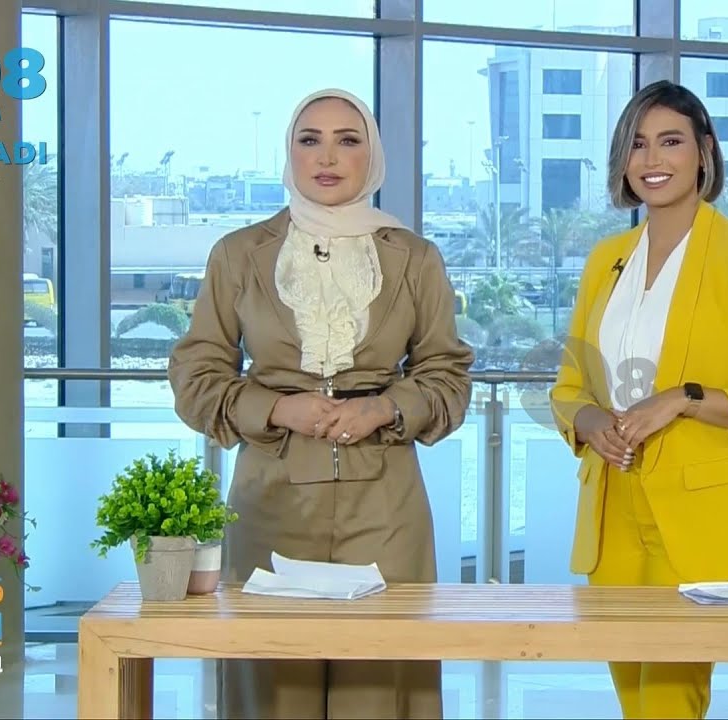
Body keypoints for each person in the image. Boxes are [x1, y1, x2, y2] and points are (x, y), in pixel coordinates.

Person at [167, 87, 473, 720]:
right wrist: (277, 410)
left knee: (382, 688)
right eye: (310, 140)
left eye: (347, 140)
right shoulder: (238, 254)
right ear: (290, 153)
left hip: (386, 505)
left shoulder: (415, 257)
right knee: (272, 690)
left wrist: (382, 409)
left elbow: (447, 376)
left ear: (372, 157)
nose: (327, 157)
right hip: (270, 499)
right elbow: (196, 376)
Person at [548, 80, 728, 719]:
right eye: (637, 144)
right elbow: (569, 386)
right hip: (613, 512)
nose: (652, 159)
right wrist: (589, 419)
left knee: (668, 702)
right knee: (634, 701)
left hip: (697, 520)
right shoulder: (605, 260)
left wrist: (685, 398)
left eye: (670, 141)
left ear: (704, 152)